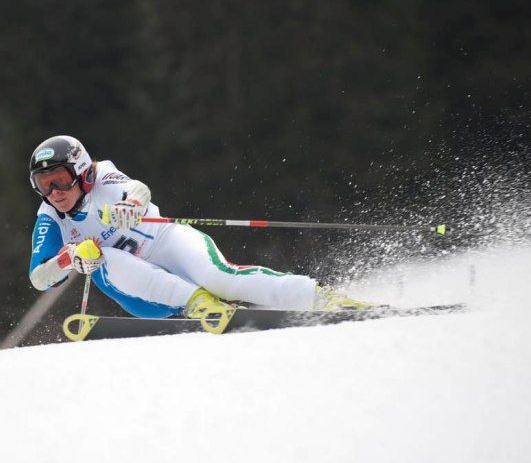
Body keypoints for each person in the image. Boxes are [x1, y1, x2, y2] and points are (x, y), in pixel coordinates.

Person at [27, 135, 365, 326]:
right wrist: (67, 259)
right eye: (43, 184)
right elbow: (38, 278)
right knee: (102, 258)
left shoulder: (103, 176)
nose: (54, 191)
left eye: (59, 179)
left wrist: (131, 207)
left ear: (82, 172)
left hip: (166, 242)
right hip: (146, 293)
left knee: (221, 277)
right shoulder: (50, 218)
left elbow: (139, 190)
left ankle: (320, 297)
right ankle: (198, 304)